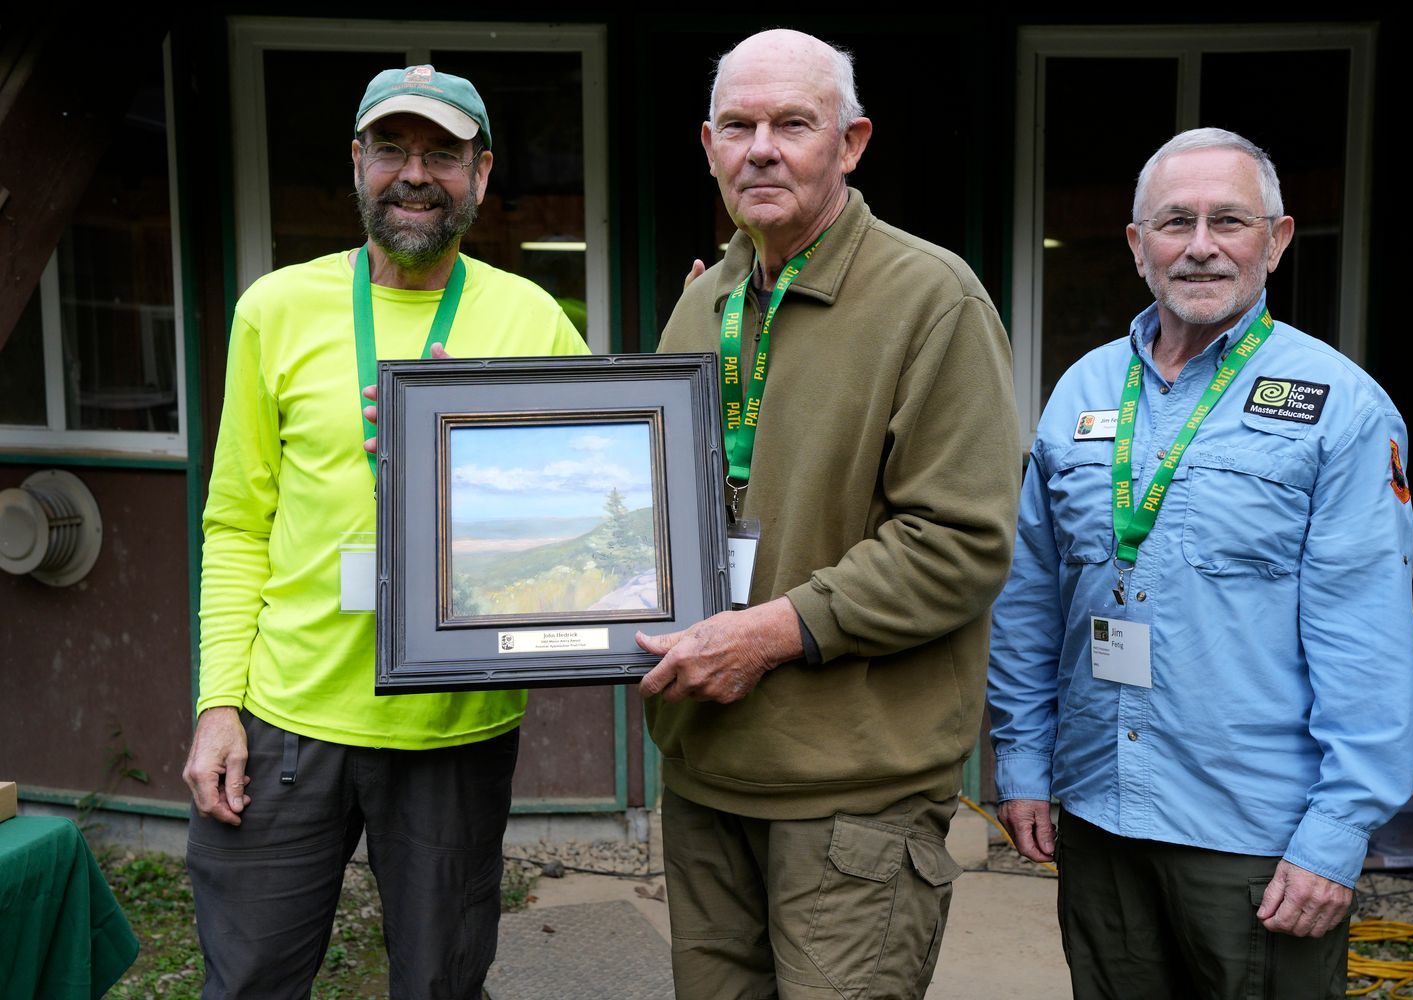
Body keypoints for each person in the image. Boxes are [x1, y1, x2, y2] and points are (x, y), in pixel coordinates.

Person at [988, 127, 1413, 998]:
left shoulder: (1341, 407)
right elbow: (1031, 597)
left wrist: (1337, 834)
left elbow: (1367, 636)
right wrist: (1023, 761)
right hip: (1099, 814)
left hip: (1257, 838)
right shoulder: (1081, 391)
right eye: (1174, 222)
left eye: (1228, 220)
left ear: (1277, 239)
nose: (1200, 246)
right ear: (1137, 244)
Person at [182, 65, 587, 997]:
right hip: (288, 716)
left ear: (482, 173)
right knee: (247, 982)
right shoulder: (274, 309)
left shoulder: (532, 318)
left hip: (454, 725)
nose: (414, 174)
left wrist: (467, 456)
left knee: (442, 983)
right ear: (357, 162)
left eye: (442, 154)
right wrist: (218, 705)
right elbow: (237, 522)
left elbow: (584, 494)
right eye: (392, 149)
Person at [637, 29, 1020, 999]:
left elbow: (961, 543)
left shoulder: (933, 300)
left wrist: (767, 634)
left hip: (854, 800)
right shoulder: (704, 304)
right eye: (738, 126)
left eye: (793, 124)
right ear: (709, 147)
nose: (761, 149)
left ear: (851, 143)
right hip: (706, 776)